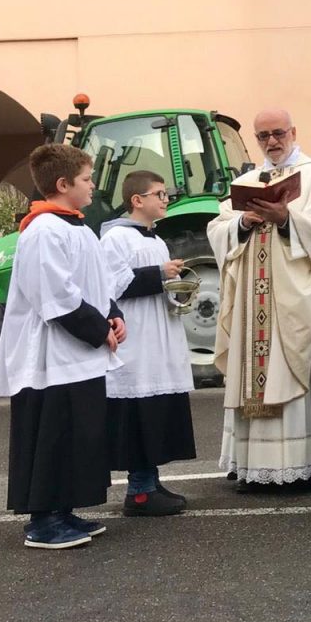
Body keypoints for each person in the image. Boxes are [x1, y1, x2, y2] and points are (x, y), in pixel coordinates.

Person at [208, 109, 311, 490]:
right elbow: (217, 229)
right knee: (256, 377)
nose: (271, 142)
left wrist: (285, 219)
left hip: (303, 300)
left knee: (305, 374)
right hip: (254, 302)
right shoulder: (246, 181)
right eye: (262, 136)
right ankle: (254, 465)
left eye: (278, 133)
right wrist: (242, 223)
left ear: (294, 132)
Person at [0, 144, 127, 550]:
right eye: (86, 179)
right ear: (63, 184)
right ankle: (43, 521)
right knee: (52, 432)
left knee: (76, 433)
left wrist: (113, 314)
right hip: (49, 354)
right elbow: (56, 295)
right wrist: (98, 330)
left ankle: (63, 507)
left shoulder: (78, 227)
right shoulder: (43, 230)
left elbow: (96, 282)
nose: (93, 185)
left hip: (77, 352)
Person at [100, 170, 195, 517]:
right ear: (137, 200)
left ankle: (151, 481)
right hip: (136, 341)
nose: (165, 199)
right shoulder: (116, 239)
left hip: (159, 338)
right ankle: (139, 491)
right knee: (138, 415)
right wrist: (159, 274)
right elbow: (111, 287)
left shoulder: (156, 239)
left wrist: (179, 290)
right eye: (158, 194)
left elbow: (161, 284)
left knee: (157, 414)